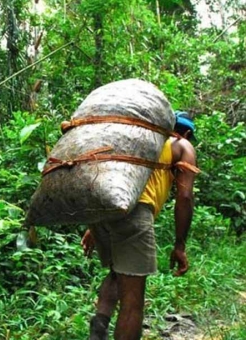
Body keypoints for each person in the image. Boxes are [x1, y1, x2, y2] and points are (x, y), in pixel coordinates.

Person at [81, 111, 198, 340]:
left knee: (117, 273)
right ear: (186, 132)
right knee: (133, 301)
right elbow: (184, 196)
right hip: (135, 213)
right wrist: (179, 245)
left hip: (103, 212)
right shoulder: (181, 145)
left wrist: (92, 225)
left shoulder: (134, 139)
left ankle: (99, 327)